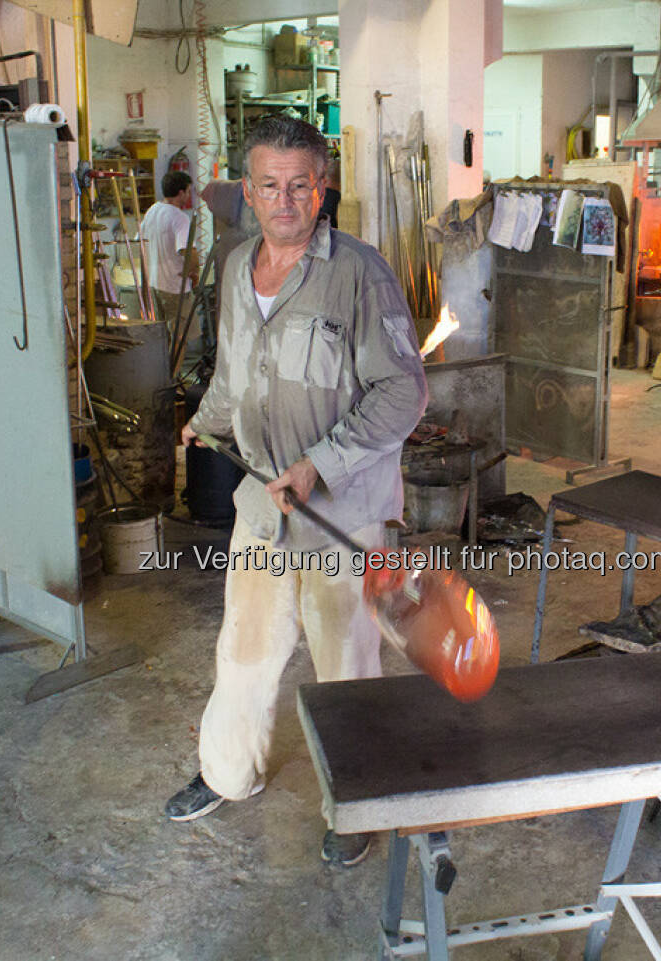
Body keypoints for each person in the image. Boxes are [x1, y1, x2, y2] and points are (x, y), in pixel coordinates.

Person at [167, 116, 428, 868]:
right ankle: (227, 769)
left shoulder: (360, 274)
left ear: (324, 188)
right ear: (246, 190)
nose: (285, 200)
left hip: (337, 510)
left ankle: (359, 799)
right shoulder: (237, 265)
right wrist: (205, 420)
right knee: (244, 651)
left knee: (345, 664)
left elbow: (402, 393)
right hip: (262, 505)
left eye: (301, 185)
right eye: (269, 186)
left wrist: (320, 461)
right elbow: (234, 374)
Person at [139, 170, 199, 330]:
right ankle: (175, 357)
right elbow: (188, 251)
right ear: (181, 193)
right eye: (188, 191)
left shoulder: (152, 211)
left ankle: (165, 357)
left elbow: (139, 241)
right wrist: (194, 272)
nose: (189, 195)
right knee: (179, 337)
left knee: (163, 335)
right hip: (175, 287)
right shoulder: (180, 218)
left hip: (155, 283)